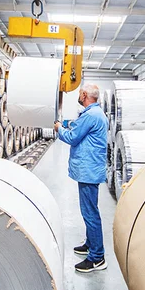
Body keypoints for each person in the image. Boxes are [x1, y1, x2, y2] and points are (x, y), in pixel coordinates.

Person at [54, 84, 108, 273]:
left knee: (90, 213)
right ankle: (90, 244)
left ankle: (97, 257)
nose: (78, 95)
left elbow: (72, 137)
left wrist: (59, 128)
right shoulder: (94, 114)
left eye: (79, 93)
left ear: (84, 95)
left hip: (89, 171)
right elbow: (77, 125)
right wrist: (66, 123)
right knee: (89, 211)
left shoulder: (91, 116)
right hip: (89, 170)